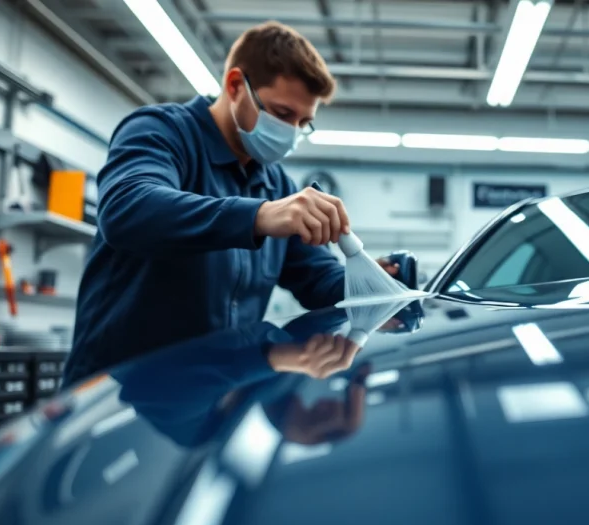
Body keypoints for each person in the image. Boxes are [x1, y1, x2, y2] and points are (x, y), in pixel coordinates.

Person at [63, 21, 395, 386]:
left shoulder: (275, 183)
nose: (291, 132)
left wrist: (375, 280)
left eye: (303, 123)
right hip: (117, 397)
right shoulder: (162, 131)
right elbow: (126, 208)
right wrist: (260, 215)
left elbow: (317, 278)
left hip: (211, 397)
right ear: (236, 86)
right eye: (283, 114)